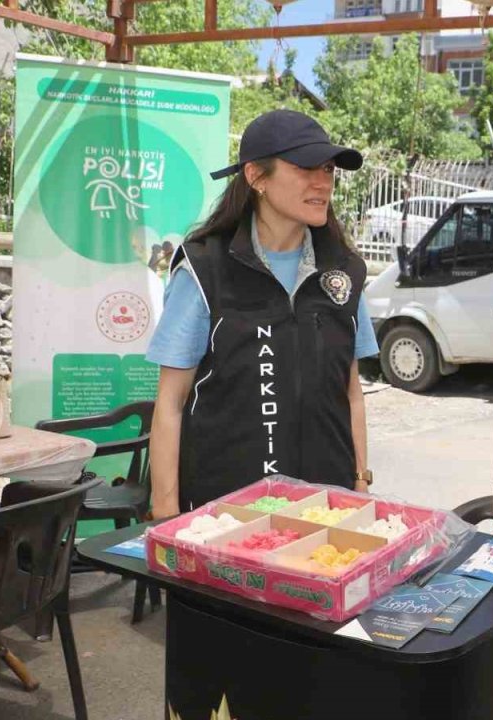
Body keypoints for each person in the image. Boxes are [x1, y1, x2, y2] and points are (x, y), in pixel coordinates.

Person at [147, 110, 379, 518]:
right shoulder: (205, 269)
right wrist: (166, 513)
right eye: (305, 167)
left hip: (325, 510)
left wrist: (360, 482)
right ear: (256, 176)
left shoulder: (344, 273)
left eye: (328, 169)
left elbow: (351, 393)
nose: (323, 182)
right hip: (224, 514)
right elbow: (171, 402)